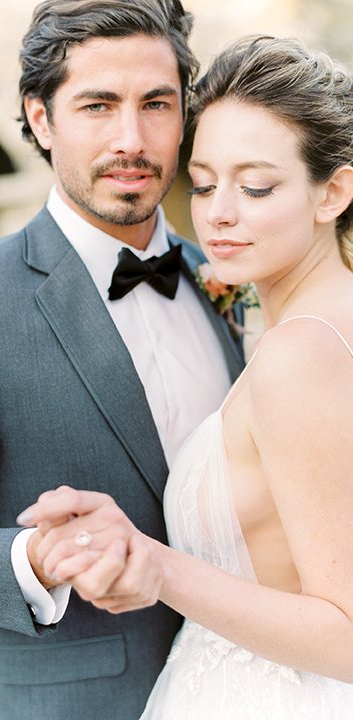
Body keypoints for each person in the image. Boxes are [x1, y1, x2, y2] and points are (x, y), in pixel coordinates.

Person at [0, 2, 244, 719]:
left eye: (156, 104)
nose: (131, 139)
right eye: (97, 105)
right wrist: (36, 562)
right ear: (42, 118)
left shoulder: (230, 284)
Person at [19, 35, 353, 718]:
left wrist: (155, 564)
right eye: (202, 184)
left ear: (334, 191)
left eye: (256, 186)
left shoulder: (302, 352)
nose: (218, 213)